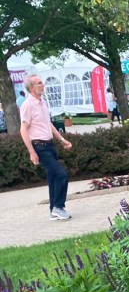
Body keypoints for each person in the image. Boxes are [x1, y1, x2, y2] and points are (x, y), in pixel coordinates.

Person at [19, 75, 73, 221]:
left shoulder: (42, 103)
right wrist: (31, 151)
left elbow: (48, 124)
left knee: (53, 177)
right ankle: (59, 206)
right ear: (31, 88)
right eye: (39, 83)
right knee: (61, 174)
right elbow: (23, 129)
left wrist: (62, 140)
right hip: (39, 146)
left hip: (50, 145)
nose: (43, 85)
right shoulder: (28, 105)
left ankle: (53, 210)